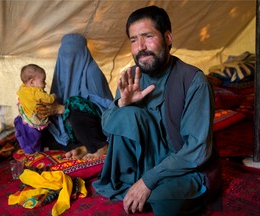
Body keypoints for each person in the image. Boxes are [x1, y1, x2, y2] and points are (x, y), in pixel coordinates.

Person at [92, 5, 221, 215]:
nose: (140, 46)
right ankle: (140, 182)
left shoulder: (193, 81)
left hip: (183, 167)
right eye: (134, 40)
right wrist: (122, 104)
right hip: (146, 160)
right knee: (127, 114)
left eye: (148, 36)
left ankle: (148, 185)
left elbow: (197, 151)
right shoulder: (131, 78)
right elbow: (107, 127)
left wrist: (147, 181)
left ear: (168, 38)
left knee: (161, 202)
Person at [36, 33, 114, 160]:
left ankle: (100, 146)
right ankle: (85, 147)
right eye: (65, 56)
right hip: (72, 131)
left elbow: (105, 108)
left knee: (76, 106)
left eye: (74, 54)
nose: (68, 60)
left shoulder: (92, 72)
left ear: (83, 54)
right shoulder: (60, 74)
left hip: (96, 128)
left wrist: (62, 109)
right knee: (39, 128)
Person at [14, 64, 56, 154]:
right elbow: (49, 100)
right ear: (32, 82)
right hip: (34, 120)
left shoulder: (23, 88)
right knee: (36, 136)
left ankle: (27, 149)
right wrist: (53, 96)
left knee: (25, 135)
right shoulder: (36, 92)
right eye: (43, 81)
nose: (45, 84)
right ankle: (38, 150)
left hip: (24, 118)